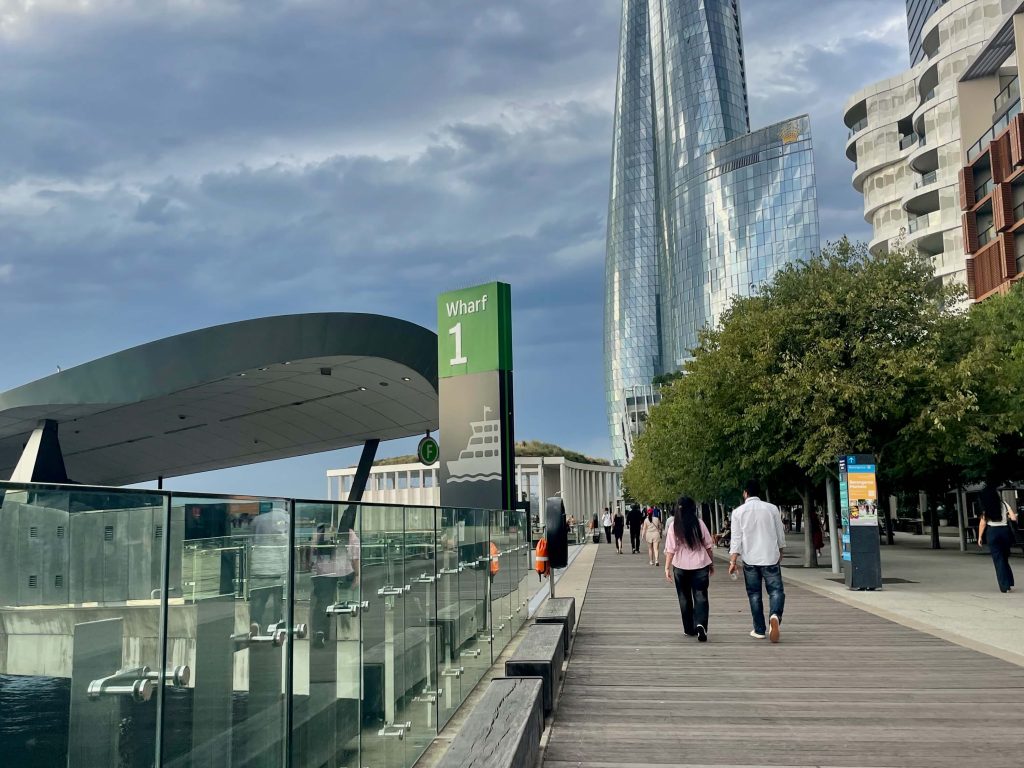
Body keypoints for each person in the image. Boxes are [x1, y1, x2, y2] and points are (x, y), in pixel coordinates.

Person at [728, 480, 787, 643]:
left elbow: (736, 538)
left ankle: (759, 629)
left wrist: (733, 560)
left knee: (754, 594)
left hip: (750, 559)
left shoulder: (738, 512)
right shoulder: (772, 509)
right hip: (770, 556)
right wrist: (780, 549)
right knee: (776, 591)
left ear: (745, 493)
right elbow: (779, 532)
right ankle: (775, 615)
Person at [664, 496, 714, 641]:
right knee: (701, 596)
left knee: (684, 597)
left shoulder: (674, 526)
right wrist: (711, 564)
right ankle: (701, 625)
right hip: (700, 565)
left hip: (680, 566)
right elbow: (708, 546)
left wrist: (667, 567)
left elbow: (670, 550)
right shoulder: (699, 524)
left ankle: (688, 628)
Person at [978, 481, 1018, 593]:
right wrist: (1010, 517)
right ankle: (1009, 582)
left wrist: (980, 537)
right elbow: (1014, 518)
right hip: (1005, 531)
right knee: (1005, 558)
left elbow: (983, 522)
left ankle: (1004, 586)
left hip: (992, 532)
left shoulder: (987, 507)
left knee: (998, 559)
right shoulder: (1004, 504)